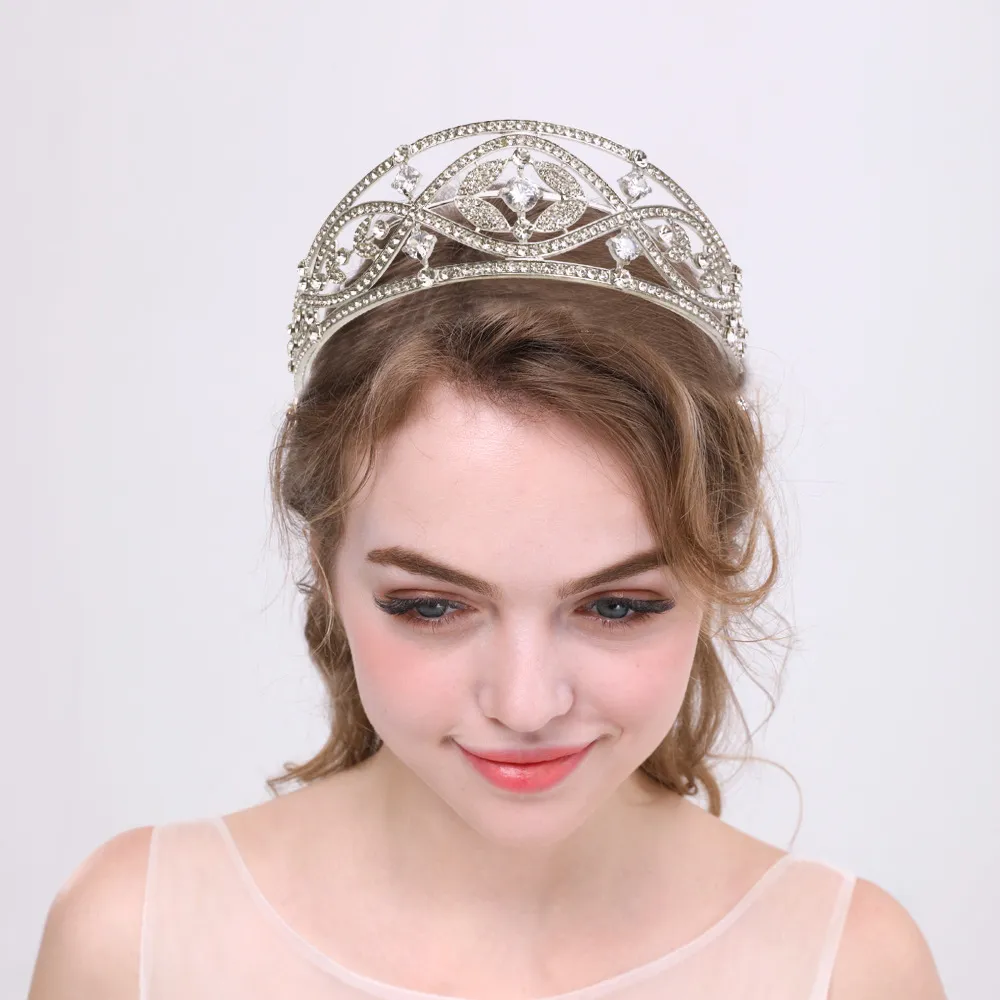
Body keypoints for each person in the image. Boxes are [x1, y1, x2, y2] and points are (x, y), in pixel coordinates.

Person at [28, 119, 947, 1000]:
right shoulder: (135, 940)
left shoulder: (847, 970)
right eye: (431, 605)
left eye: (616, 606)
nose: (525, 704)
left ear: (717, 568)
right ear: (325, 565)